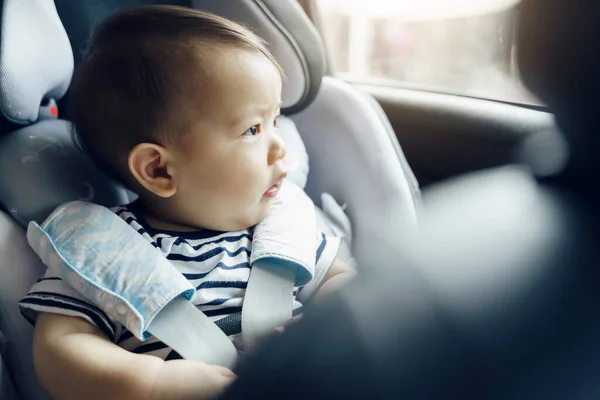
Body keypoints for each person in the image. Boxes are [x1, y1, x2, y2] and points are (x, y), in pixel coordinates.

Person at [18, 6, 355, 400]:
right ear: (159, 170)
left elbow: (344, 283)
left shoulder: (282, 224)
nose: (280, 147)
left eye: (275, 121)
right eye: (252, 129)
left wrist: (327, 327)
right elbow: (61, 346)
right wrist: (152, 383)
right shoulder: (102, 251)